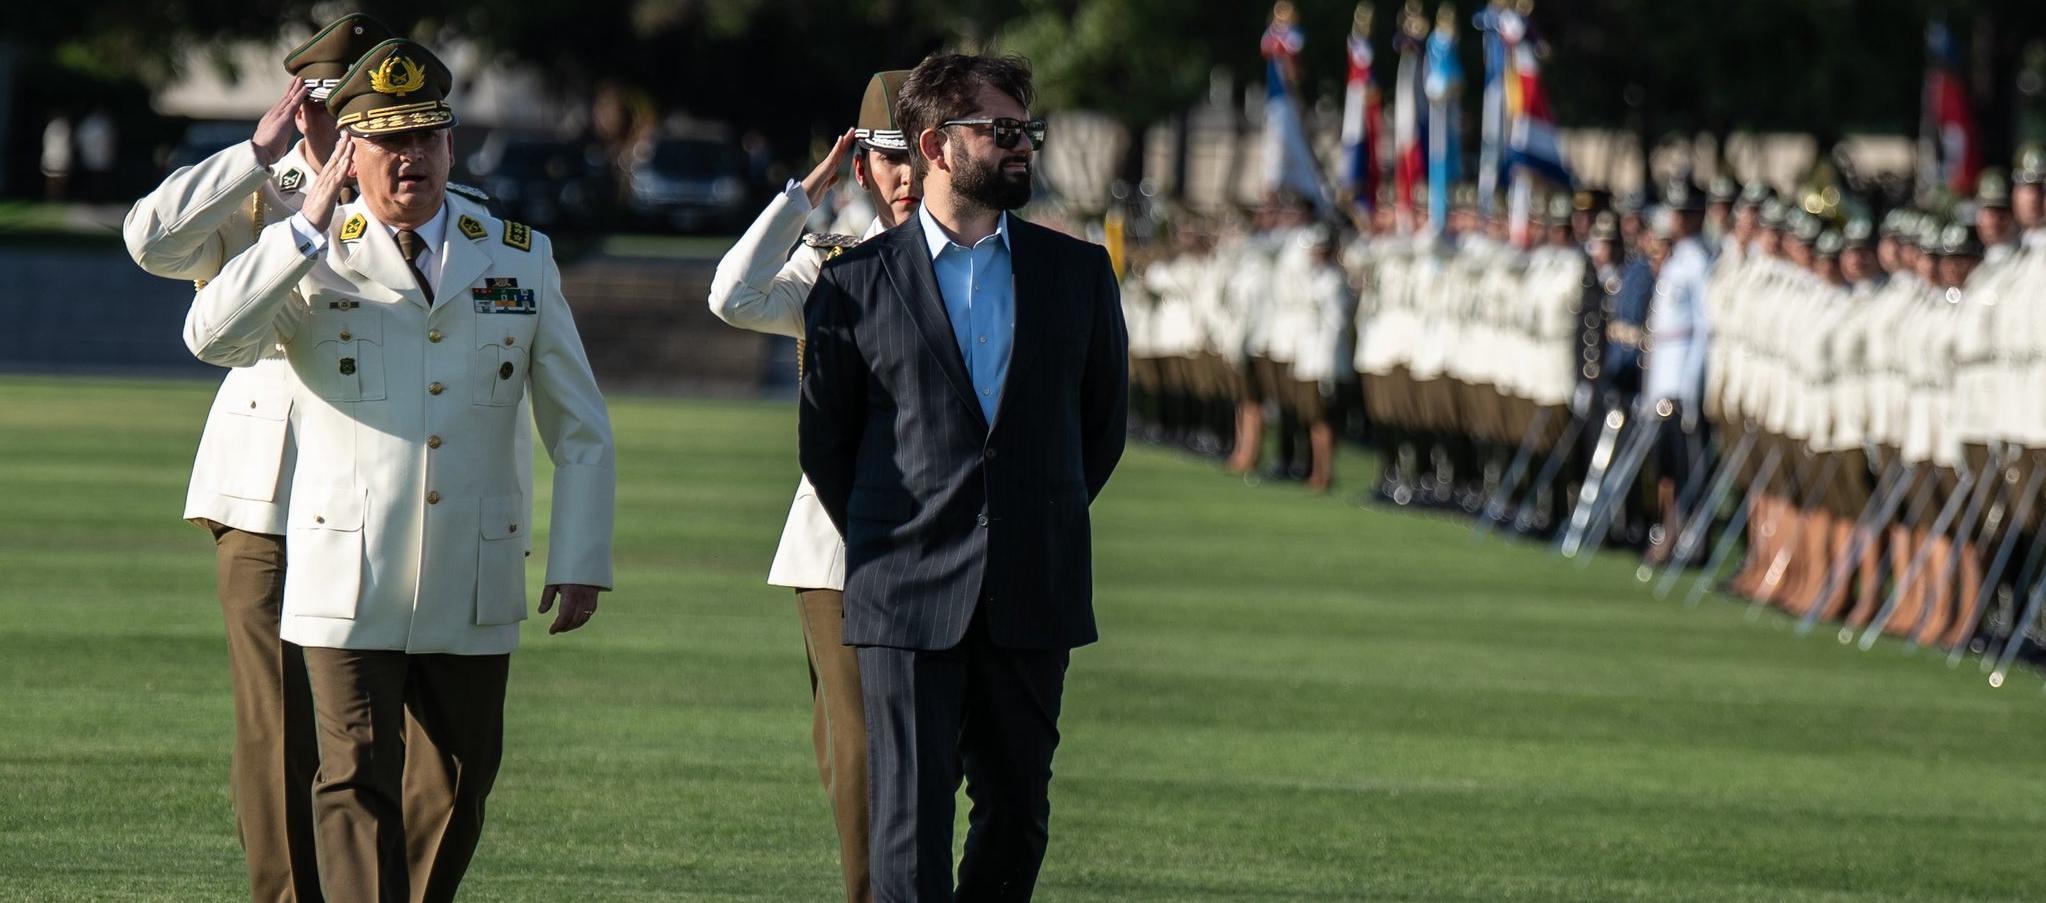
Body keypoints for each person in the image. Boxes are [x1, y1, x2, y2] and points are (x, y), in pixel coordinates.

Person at [182, 39, 615, 902]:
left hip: (473, 571)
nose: (409, 157)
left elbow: (581, 425)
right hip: (346, 572)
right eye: (387, 139)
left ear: (452, 146)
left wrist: (580, 557)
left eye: (426, 137)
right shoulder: (313, 252)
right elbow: (211, 338)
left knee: (458, 782)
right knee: (352, 779)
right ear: (351, 149)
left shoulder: (518, 255)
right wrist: (303, 229)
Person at [798, 52, 1127, 903]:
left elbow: (1099, 431)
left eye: (1029, 131)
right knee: (905, 827)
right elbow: (828, 446)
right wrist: (897, 537)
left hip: (1033, 584)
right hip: (904, 591)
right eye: (1004, 131)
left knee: (1017, 816)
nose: (1025, 148)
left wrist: (1023, 514)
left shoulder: (1079, 276)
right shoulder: (854, 283)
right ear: (938, 145)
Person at [121, 14, 395, 901]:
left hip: (384, 489)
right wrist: (255, 150)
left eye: (352, 102)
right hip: (268, 495)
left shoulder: (411, 187)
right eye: (322, 99)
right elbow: (150, 241)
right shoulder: (254, 190)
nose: (338, 121)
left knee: (382, 730)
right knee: (277, 728)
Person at [705, 69, 920, 903]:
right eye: (886, 159)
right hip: (838, 543)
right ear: (862, 166)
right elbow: (732, 294)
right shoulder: (832, 266)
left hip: (946, 536)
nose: (903, 178)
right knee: (855, 745)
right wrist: (803, 197)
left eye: (917, 157)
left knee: (910, 743)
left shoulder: (981, 265)